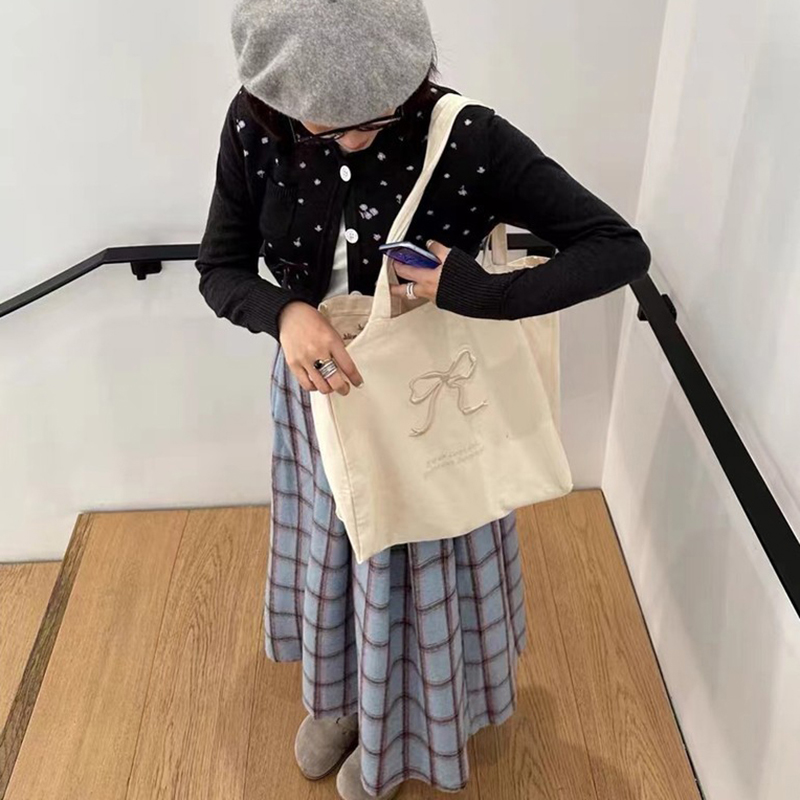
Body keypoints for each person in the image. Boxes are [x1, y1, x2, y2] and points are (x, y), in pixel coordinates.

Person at [195, 1, 650, 797]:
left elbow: (617, 248)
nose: (353, 140)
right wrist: (284, 313)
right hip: (316, 398)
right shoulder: (254, 125)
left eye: (375, 119)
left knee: (416, 576)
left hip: (427, 405)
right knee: (334, 562)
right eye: (326, 125)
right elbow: (220, 267)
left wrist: (479, 291)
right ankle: (340, 702)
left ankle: (408, 734)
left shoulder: (467, 138)